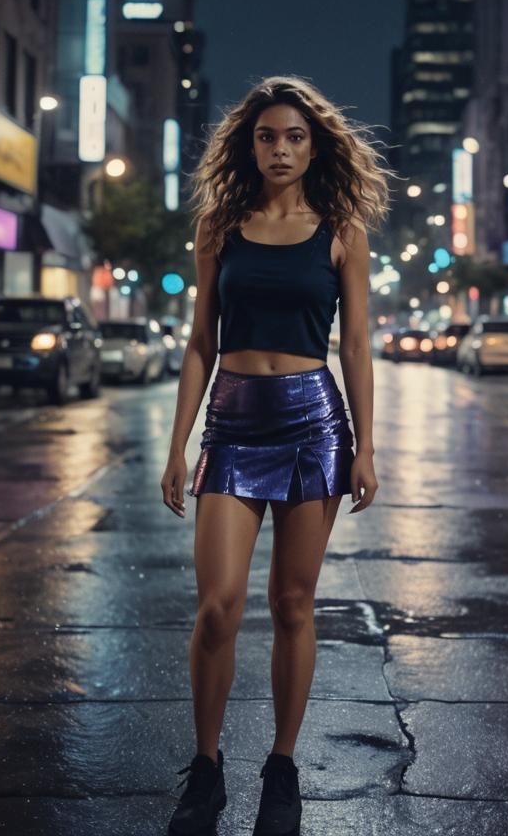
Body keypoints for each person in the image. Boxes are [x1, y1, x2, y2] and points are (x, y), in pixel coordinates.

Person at [160, 76, 393, 836]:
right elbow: (201, 341)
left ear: (314, 144)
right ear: (249, 144)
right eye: (268, 136)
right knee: (217, 607)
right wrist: (179, 443)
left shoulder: (341, 230)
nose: (281, 149)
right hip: (232, 420)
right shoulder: (218, 225)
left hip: (310, 422)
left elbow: (355, 344)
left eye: (295, 137)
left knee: (294, 603)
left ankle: (283, 769)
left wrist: (363, 445)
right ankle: (206, 766)